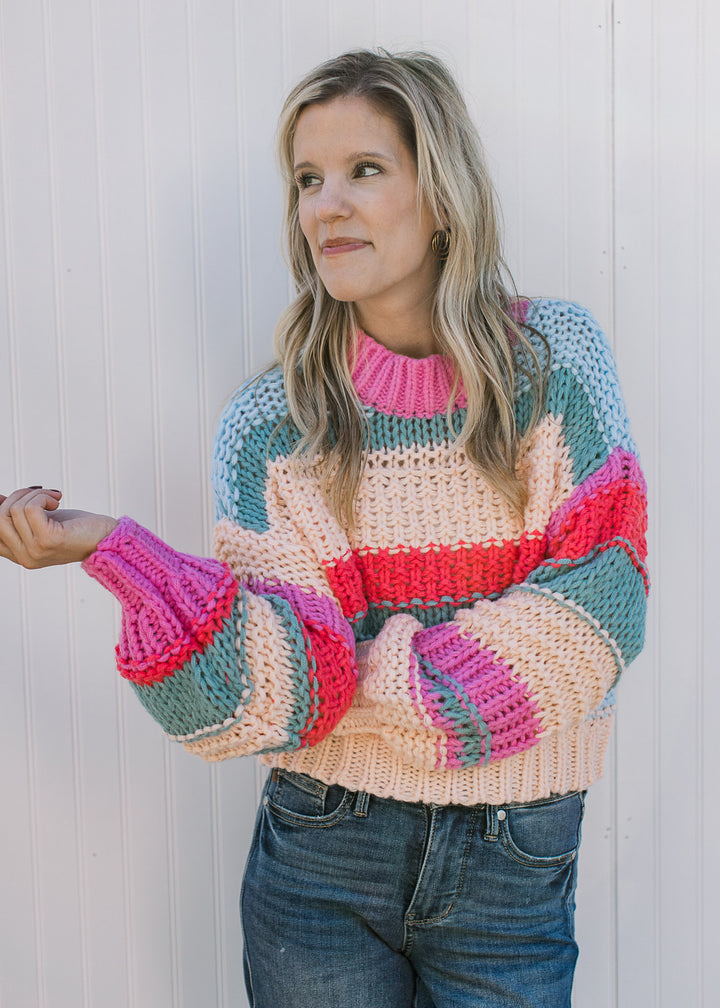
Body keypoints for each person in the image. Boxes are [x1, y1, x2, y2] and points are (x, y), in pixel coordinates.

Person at [0, 49, 647, 1008]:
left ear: (443, 197)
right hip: (322, 854)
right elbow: (271, 697)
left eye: (364, 171)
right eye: (308, 180)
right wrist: (118, 554)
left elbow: (599, 612)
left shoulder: (553, 368)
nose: (324, 207)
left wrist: (358, 676)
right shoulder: (269, 428)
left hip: (513, 854)